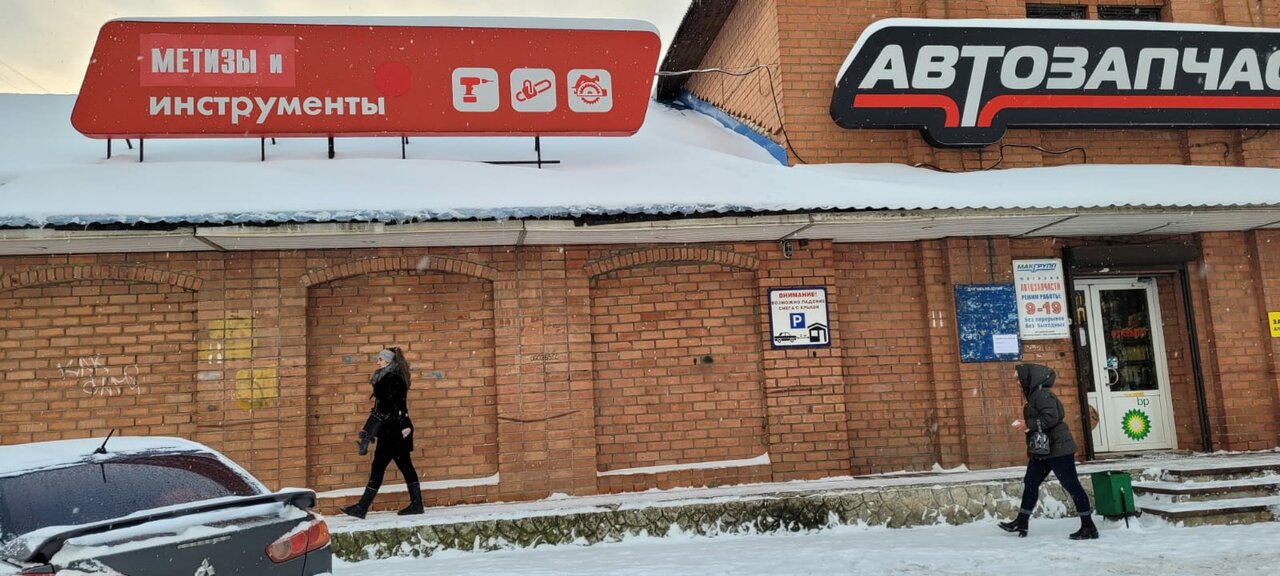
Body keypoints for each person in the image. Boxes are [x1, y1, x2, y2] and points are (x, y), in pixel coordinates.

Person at [998, 363, 1098, 540]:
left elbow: (1051, 418)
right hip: (1043, 449)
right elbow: (1043, 419)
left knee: (1071, 485)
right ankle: (1021, 522)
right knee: (1031, 481)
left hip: (1059, 448)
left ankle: (1088, 526)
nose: (1017, 383)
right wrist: (1029, 424)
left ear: (1029, 379)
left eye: (1019, 379)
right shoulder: (1035, 395)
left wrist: (1028, 424)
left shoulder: (1042, 394)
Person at [341, 347, 424, 518]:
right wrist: (370, 429)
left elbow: (400, 404)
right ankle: (416, 504)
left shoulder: (394, 379)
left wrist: (404, 424)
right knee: (404, 466)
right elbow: (382, 408)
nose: (377, 362)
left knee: (381, 467)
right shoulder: (386, 377)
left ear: (388, 362)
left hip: (394, 431)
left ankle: (362, 507)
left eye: (380, 359)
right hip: (390, 430)